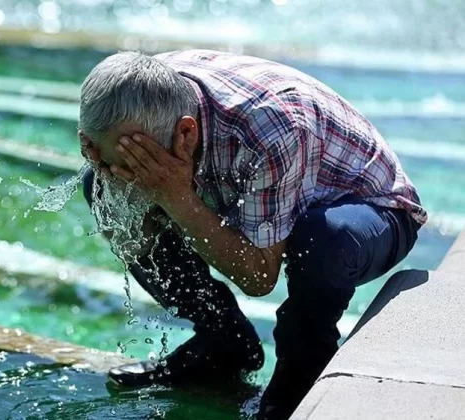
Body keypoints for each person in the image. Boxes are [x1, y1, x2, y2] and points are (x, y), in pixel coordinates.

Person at [77, 50, 426, 419]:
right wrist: (110, 175)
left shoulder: (271, 126)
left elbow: (259, 277)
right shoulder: (125, 96)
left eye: (138, 163)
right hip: (256, 183)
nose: (120, 171)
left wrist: (177, 198)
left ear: (184, 133)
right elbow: (110, 171)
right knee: (101, 189)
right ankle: (224, 342)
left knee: (321, 238)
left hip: (373, 211)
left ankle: (297, 384)